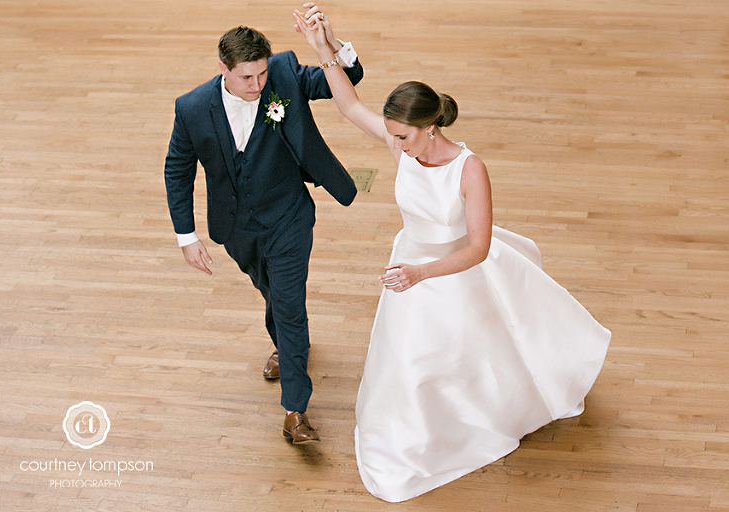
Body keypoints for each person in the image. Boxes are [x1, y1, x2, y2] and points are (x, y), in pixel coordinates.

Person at [294, 11, 611, 501]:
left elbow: (479, 247)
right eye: (393, 134)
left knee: (470, 357)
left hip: (451, 268)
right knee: (413, 361)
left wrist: (422, 273)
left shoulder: (470, 169)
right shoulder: (405, 148)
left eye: (402, 135)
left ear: (430, 128)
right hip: (410, 268)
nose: (393, 143)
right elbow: (349, 107)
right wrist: (323, 49)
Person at [164, 4, 364, 445]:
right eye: (246, 78)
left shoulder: (285, 75)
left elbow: (344, 81)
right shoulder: (193, 108)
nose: (257, 86)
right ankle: (287, 345)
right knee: (271, 291)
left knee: (290, 304)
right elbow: (177, 169)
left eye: (261, 75)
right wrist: (187, 235)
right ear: (223, 69)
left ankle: (295, 410)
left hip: (290, 217)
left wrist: (330, 44)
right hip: (236, 229)